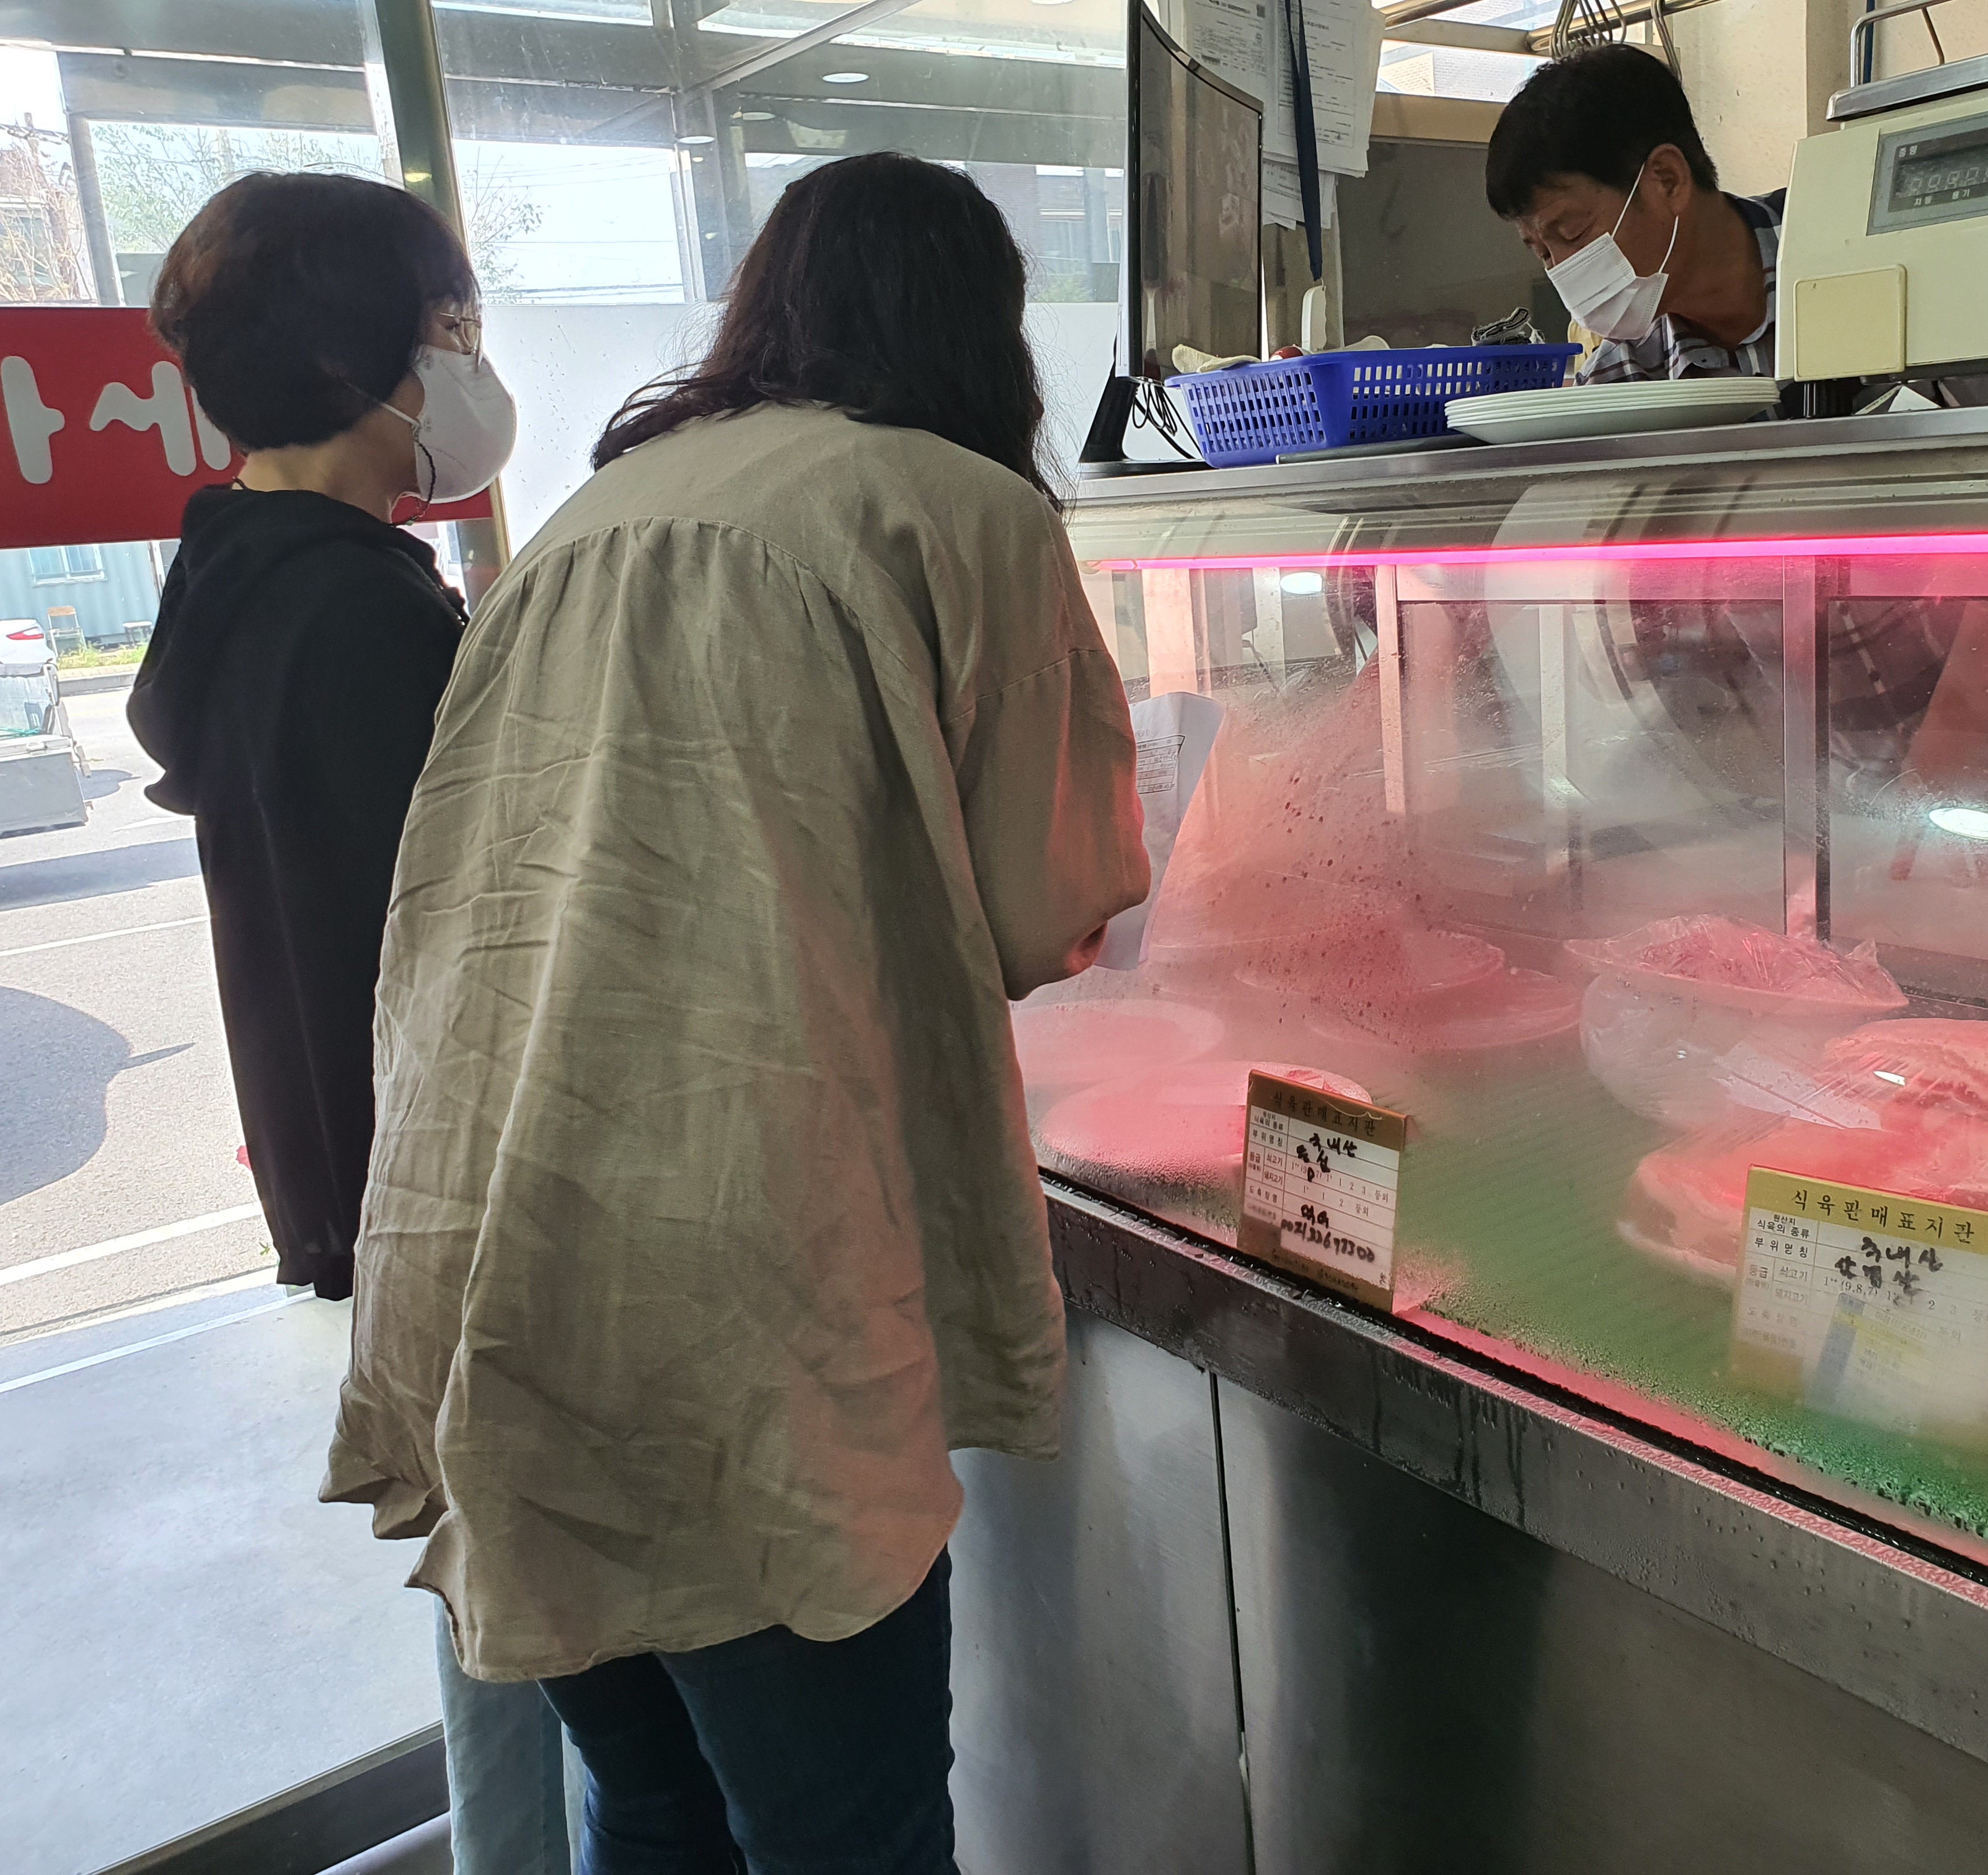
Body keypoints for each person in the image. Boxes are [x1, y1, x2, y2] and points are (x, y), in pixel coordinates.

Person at [321, 151, 1149, 1871]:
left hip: (488, 1263)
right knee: (847, 1839)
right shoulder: (958, 509)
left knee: (652, 1804)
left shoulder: (587, 516)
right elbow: (1045, 907)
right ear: (982, 331)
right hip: (738, 1301)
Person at [128, 171, 576, 1874]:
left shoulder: (236, 575)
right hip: (448, 1178)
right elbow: (466, 930)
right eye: (450, 328)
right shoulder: (360, 613)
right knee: (531, 1612)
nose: (467, 363)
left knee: (492, 1589)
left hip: (356, 1160)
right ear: (349, 366)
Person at [1486, 45, 1780, 385]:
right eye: (1544, 254)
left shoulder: (1831, 237)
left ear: (1667, 180)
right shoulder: (1618, 381)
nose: (1565, 271)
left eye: (1573, 232)